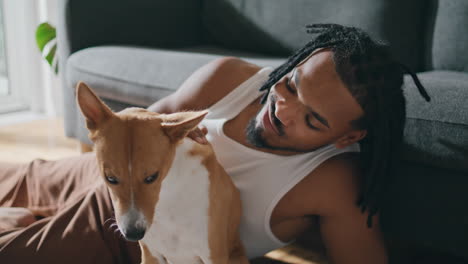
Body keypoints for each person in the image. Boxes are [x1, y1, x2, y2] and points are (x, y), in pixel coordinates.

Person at [0, 24, 430, 263]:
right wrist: (170, 129)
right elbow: (139, 125)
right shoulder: (233, 78)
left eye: (312, 119)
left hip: (130, 241)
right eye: (292, 84)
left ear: (349, 136)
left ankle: (23, 222)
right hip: (110, 177)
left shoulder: (335, 183)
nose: (284, 109)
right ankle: (25, 213)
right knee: (14, 176)